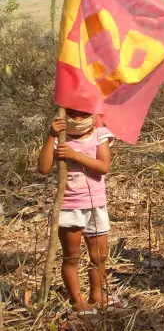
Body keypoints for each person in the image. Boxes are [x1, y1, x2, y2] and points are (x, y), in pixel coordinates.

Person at [38, 108, 115, 314]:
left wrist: (75, 155)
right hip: (69, 207)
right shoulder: (59, 138)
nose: (79, 119)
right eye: (73, 114)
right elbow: (43, 168)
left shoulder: (100, 134)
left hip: (96, 205)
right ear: (63, 115)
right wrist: (51, 135)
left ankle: (97, 295)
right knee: (72, 256)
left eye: (84, 114)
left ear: (93, 114)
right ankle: (77, 299)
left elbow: (103, 166)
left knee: (99, 255)